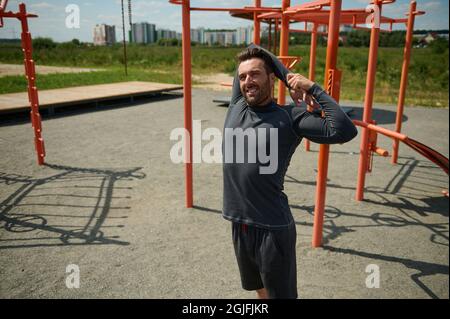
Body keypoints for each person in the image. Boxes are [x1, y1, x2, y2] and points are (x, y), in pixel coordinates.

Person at [222, 44, 358, 299]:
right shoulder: (237, 105)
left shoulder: (290, 117)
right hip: (240, 223)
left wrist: (310, 87)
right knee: (258, 289)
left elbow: (344, 130)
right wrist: (285, 75)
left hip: (272, 227)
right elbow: (255, 48)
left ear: (271, 78)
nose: (247, 80)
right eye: (242, 76)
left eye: (255, 74)